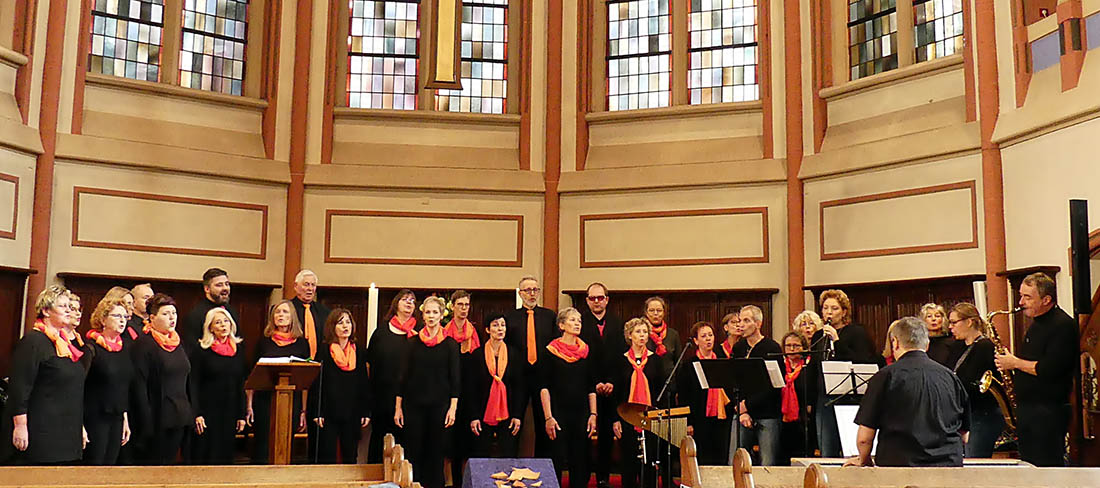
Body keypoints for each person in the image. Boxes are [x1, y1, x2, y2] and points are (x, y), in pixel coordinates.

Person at [846, 316, 969, 467]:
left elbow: (864, 438)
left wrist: (863, 460)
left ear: (895, 343)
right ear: (927, 344)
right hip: (948, 467)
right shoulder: (950, 377)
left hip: (899, 468)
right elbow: (964, 435)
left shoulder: (885, 376)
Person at [994, 272, 1078, 466]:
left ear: (1046, 299)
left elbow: (1050, 369)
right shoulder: (1036, 324)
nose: (1021, 302)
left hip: (1048, 411)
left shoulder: (1062, 325)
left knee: (1045, 467)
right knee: (1028, 465)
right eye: (1021, 295)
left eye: (1027, 297)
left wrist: (1014, 363)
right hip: (1029, 409)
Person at [2, 285, 86, 464]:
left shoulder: (65, 344)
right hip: (42, 431)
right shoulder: (33, 342)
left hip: (66, 431)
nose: (69, 311)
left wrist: (80, 427)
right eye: (63, 306)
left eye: (70, 307)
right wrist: (20, 426)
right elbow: (20, 388)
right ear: (46, 310)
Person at [396, 296, 459, 488]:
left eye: (435, 312)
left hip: (440, 406)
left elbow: (455, 379)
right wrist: (398, 408)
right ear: (422, 316)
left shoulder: (450, 345)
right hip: (413, 405)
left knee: (436, 452)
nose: (431, 316)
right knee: (414, 451)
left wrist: (453, 408)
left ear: (441, 316)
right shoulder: (412, 343)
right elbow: (402, 378)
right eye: (428, 312)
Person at [132, 293, 193, 464]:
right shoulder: (144, 344)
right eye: (165, 314)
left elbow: (187, 378)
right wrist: (146, 421)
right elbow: (140, 385)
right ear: (152, 318)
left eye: (174, 313)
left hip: (180, 415)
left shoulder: (178, 342)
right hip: (158, 417)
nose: (172, 318)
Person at [540, 307, 597, 488]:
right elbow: (544, 387)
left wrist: (593, 414)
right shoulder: (550, 351)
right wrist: (548, 417)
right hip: (557, 411)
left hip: (581, 412)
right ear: (561, 325)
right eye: (572, 320)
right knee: (556, 458)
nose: (577, 324)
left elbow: (591, 386)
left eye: (579, 321)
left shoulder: (586, 351)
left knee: (580, 459)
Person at [248, 300, 310, 464]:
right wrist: (249, 405)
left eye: (285, 312)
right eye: (277, 312)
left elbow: (306, 379)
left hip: (291, 401)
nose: (281, 315)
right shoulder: (264, 342)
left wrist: (304, 410)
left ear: (292, 317)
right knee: (263, 445)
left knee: (286, 443)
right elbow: (252, 376)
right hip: (265, 400)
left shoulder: (302, 344)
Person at [815, 289, 875, 457]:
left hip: (850, 397)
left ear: (844, 312)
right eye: (825, 308)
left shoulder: (857, 333)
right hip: (825, 398)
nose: (829, 312)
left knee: (851, 449)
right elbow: (816, 367)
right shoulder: (819, 336)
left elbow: (863, 361)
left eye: (834, 308)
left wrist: (837, 341)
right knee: (827, 449)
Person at [309, 308, 371, 464]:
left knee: (350, 455)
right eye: (340, 322)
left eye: (348, 322)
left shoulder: (359, 351)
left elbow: (363, 382)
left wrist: (366, 411)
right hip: (329, 412)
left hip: (352, 411)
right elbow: (317, 384)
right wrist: (318, 411)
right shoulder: (325, 351)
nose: (345, 326)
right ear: (332, 327)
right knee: (326, 455)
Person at [578, 282, 625, 488]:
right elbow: (579, 358)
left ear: (607, 299)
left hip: (613, 389)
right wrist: (595, 383)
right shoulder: (579, 323)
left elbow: (623, 358)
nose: (597, 301)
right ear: (587, 300)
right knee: (584, 435)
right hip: (586, 388)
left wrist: (612, 382)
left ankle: (603, 477)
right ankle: (582, 477)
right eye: (592, 298)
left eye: (600, 297)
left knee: (607, 435)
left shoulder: (618, 323)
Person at [504, 276, 557, 458]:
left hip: (543, 376)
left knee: (545, 421)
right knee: (514, 421)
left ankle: (545, 467)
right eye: (528, 290)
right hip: (518, 377)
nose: (532, 294)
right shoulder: (510, 317)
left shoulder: (549, 316)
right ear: (520, 293)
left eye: (535, 290)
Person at [365, 289, 418, 463]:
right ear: (396, 304)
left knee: (405, 441)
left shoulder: (418, 335)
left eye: (412, 301)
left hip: (408, 397)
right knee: (380, 438)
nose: (409, 303)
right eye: (405, 299)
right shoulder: (381, 333)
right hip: (382, 395)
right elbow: (369, 364)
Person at [189, 307, 247, 464]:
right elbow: (193, 383)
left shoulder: (238, 349)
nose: (223, 326)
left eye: (226, 321)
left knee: (225, 456)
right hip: (207, 412)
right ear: (210, 327)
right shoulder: (201, 350)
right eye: (218, 322)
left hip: (229, 412)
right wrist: (197, 413)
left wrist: (241, 414)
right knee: (207, 456)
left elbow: (241, 383)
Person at [463, 314, 524, 458]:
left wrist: (517, 415)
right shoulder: (477, 355)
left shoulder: (514, 354)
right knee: (481, 455)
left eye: (503, 325)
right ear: (487, 330)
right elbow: (471, 389)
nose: (500, 329)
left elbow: (519, 387)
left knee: (508, 454)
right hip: (482, 414)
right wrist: (474, 416)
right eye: (495, 325)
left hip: (508, 413)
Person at [947, 302, 1003, 458]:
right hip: (964, 414)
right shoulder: (957, 347)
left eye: (954, 322)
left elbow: (977, 382)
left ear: (969, 322)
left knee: (976, 459)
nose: (950, 327)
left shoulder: (985, 347)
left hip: (983, 414)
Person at [83, 297, 134, 465]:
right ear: (103, 319)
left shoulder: (125, 347)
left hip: (117, 415)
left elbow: (123, 385)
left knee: (111, 467)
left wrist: (125, 418)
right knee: (95, 465)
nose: (122, 321)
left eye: (125, 317)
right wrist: (79, 424)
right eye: (117, 316)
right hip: (95, 416)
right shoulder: (91, 348)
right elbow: (79, 387)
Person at [613, 318, 663, 488]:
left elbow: (660, 390)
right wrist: (616, 419)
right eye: (638, 332)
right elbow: (617, 393)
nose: (642, 336)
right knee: (629, 462)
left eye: (644, 332)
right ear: (629, 335)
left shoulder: (656, 360)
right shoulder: (621, 361)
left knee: (649, 463)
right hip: (627, 417)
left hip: (650, 417)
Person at [731, 305, 782, 466]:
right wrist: (741, 410)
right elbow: (733, 380)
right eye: (740, 321)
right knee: (735, 461)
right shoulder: (738, 348)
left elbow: (774, 386)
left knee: (768, 463)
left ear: (758, 324)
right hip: (741, 413)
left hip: (767, 413)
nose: (742, 325)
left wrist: (748, 405)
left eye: (747, 321)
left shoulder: (771, 348)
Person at [679, 321, 730, 466]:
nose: (708, 339)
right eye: (703, 336)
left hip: (721, 419)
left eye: (710, 335)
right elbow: (684, 396)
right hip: (699, 419)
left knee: (720, 458)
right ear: (696, 341)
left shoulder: (721, 362)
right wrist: (688, 422)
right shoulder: (689, 365)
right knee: (701, 458)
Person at [442, 290, 477, 482]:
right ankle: (449, 481)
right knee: (449, 443)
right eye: (460, 305)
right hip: (448, 393)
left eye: (466, 305)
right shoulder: (445, 332)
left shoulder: (474, 333)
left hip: (469, 393)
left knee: (467, 443)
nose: (464, 309)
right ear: (452, 306)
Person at [182, 268, 239, 356]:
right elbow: (192, 349)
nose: (225, 288)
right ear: (207, 289)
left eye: (227, 284)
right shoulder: (196, 315)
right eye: (219, 285)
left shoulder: (231, 311)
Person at [778, 332, 812, 464]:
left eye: (796, 346)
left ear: (803, 347)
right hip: (782, 418)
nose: (792, 350)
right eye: (788, 346)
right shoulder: (780, 365)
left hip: (803, 419)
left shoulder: (807, 366)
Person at [290, 269, 329, 360]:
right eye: (306, 284)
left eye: (313, 285)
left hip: (319, 361)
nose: (310, 289)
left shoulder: (324, 312)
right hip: (294, 360)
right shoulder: (287, 309)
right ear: (296, 286)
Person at [922, 303, 963, 367]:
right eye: (929, 316)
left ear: (943, 319)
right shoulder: (921, 342)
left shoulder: (953, 341)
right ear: (923, 320)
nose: (933, 319)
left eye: (937, 316)